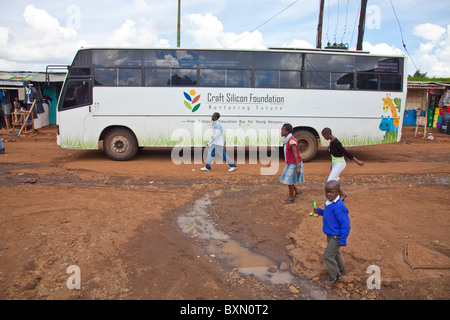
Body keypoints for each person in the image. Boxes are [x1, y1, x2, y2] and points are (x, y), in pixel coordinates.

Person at [313, 180, 350, 286]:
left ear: (338, 192)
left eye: (331, 192)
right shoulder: (328, 202)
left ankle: (335, 276)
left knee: (328, 256)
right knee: (335, 253)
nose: (329, 194)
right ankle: (341, 269)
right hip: (330, 234)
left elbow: (346, 225)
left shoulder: (339, 207)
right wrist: (319, 211)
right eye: (327, 192)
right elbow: (328, 213)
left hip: (336, 236)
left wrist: (343, 238)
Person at [321, 127, 364, 200]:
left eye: (324, 136)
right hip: (336, 163)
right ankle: (342, 195)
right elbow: (334, 154)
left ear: (328, 134)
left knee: (330, 181)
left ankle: (341, 195)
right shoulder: (331, 141)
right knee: (333, 181)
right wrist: (332, 164)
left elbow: (345, 152)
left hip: (340, 164)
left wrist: (357, 161)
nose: (324, 137)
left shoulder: (336, 142)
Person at [280, 123, 304, 204]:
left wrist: (297, 167)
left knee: (289, 181)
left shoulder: (291, 140)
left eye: (282, 130)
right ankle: (296, 191)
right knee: (289, 179)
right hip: (290, 163)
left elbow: (295, 154)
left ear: (287, 131)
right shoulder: (287, 139)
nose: (281, 132)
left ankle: (291, 198)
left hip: (293, 163)